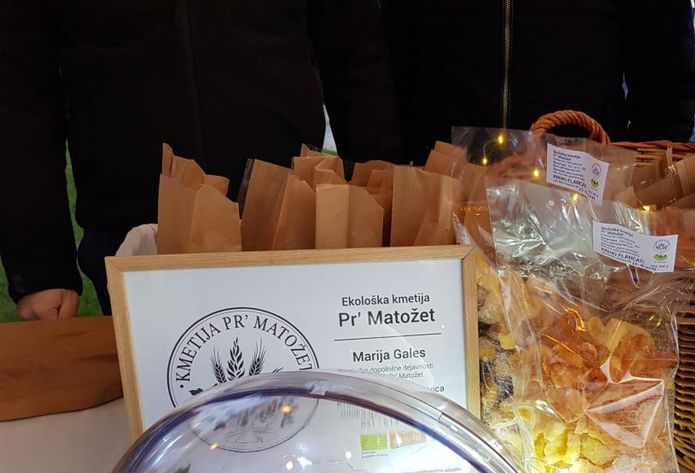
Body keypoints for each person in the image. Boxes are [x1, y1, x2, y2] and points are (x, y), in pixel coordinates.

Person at [0, 0, 402, 320]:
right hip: (134, 232)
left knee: (307, 388)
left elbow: (355, 58)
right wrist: (39, 267)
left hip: (289, 217)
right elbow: (19, 96)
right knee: (153, 392)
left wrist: (387, 213)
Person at [381, 0, 695, 164]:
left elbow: (667, 77)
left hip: (585, 190)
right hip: (443, 181)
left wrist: (636, 173)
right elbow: (394, 60)